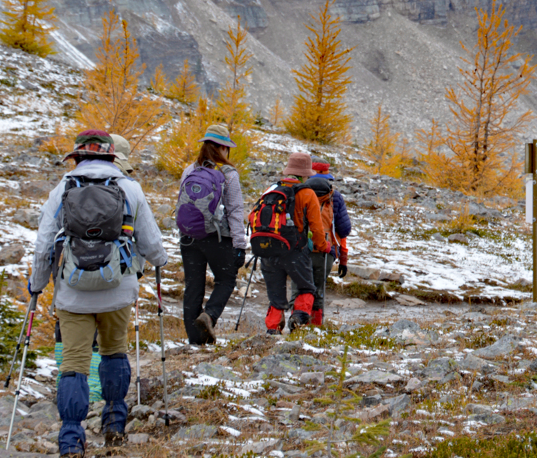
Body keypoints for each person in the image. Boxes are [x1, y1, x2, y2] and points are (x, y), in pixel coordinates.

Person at [31, 130, 168, 455]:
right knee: (114, 351)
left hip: (72, 290)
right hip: (117, 287)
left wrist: (37, 286)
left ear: (76, 157)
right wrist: (159, 262)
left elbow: (43, 246)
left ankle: (70, 439)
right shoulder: (129, 188)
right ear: (111, 157)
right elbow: (152, 245)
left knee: (75, 364)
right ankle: (115, 422)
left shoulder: (61, 189)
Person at [176, 125, 246, 345]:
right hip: (218, 238)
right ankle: (210, 315)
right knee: (226, 280)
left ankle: (195, 341)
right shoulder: (228, 174)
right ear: (224, 148)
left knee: (193, 286)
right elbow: (235, 211)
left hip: (189, 237)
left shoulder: (190, 170)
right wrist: (240, 245)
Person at [257, 152, 330, 333]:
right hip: (295, 251)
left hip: (269, 248)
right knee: (306, 288)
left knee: (276, 294)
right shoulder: (307, 193)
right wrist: (322, 246)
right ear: (305, 174)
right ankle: (298, 316)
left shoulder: (271, 190)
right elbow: (316, 228)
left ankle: (273, 329)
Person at [290, 155, 351, 325]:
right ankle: (316, 325)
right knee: (318, 289)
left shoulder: (299, 193)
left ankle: (297, 319)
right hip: (325, 252)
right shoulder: (335, 197)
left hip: (300, 249)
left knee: (298, 288)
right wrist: (343, 259)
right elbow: (344, 230)